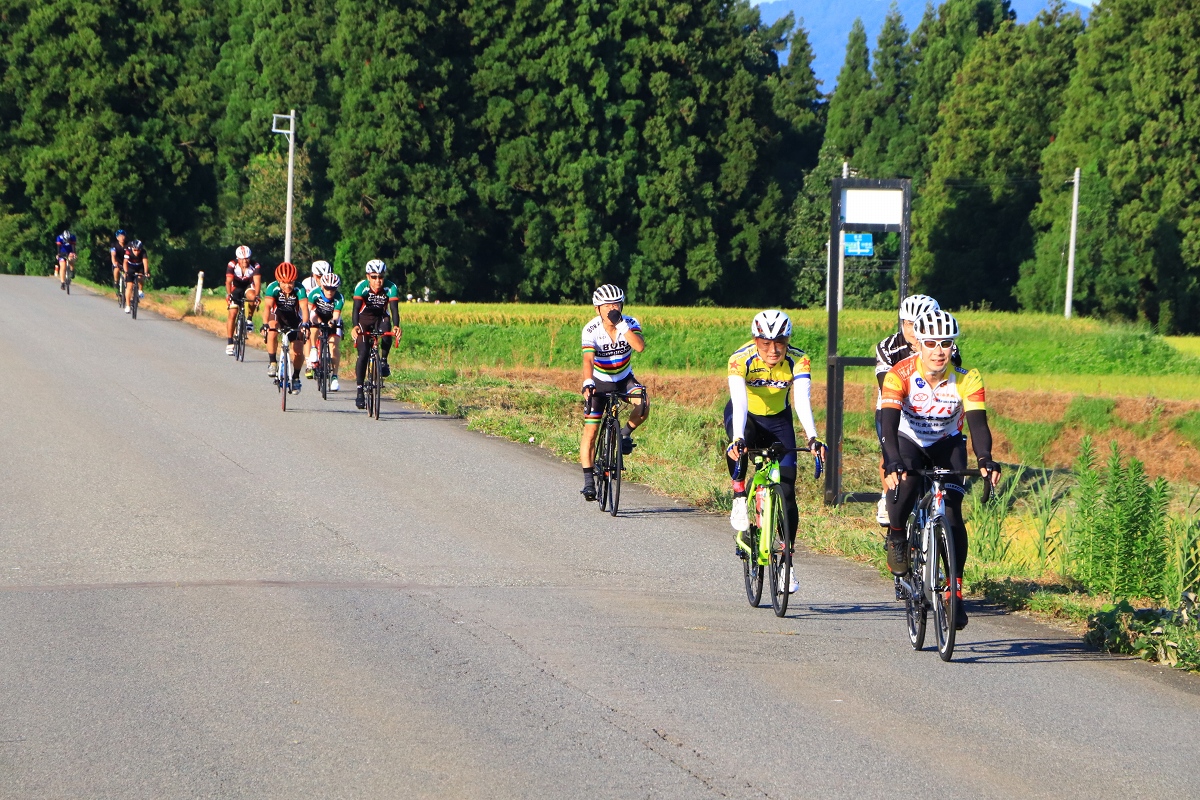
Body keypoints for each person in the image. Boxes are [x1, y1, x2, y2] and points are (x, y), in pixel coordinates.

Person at [880, 309, 1000, 631]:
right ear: (919, 344)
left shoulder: (966, 378)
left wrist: (986, 459)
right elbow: (888, 424)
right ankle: (896, 535)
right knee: (904, 486)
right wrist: (892, 460)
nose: (938, 351)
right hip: (909, 440)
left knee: (952, 512)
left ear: (952, 346)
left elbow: (978, 424)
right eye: (931, 343)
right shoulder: (899, 374)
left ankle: (954, 592)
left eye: (945, 344)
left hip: (948, 444)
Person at [725, 310, 826, 592]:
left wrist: (813, 436)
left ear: (787, 340)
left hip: (779, 420)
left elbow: (802, 401)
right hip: (746, 416)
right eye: (766, 342)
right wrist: (737, 438)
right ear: (755, 340)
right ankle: (738, 495)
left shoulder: (799, 359)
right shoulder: (740, 359)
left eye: (780, 342)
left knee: (788, 488)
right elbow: (739, 401)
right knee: (740, 445)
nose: (773, 349)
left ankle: (786, 563)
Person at [872, 294, 950, 525]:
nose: (914, 330)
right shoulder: (888, 347)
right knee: (891, 451)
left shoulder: (944, 348)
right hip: (894, 406)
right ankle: (889, 497)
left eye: (920, 324)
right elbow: (887, 386)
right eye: (908, 324)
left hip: (932, 411)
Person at [579, 284, 648, 501]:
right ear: (596, 309)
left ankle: (624, 434)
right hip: (600, 380)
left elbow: (639, 347)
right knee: (590, 432)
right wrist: (588, 382)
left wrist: (622, 326)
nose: (612, 308)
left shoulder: (630, 323)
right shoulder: (590, 330)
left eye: (616, 304)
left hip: (624, 379)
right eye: (606, 305)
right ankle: (589, 481)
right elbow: (588, 359)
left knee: (643, 404)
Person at [351, 259, 402, 409]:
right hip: (364, 319)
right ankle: (360, 391)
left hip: (381, 317)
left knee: (387, 330)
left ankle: (384, 360)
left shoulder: (391, 287)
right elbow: (355, 310)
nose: (378, 281)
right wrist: (355, 326)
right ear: (368, 277)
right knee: (363, 353)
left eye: (381, 277)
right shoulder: (361, 287)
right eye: (374, 277)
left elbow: (394, 310)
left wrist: (397, 326)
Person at [261, 262, 308, 392]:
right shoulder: (273, 288)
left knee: (298, 349)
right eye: (284, 282)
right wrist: (265, 324)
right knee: (272, 327)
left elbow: (304, 309)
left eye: (291, 282)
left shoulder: (300, 289)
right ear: (278, 281)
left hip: (295, 320)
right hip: (278, 318)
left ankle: (296, 377)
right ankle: (272, 363)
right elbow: (268, 308)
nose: (287, 286)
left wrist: (305, 324)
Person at [306, 271, 344, 392]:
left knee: (334, 346)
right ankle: (313, 348)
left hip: (332, 319)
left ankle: (334, 377)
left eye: (333, 289)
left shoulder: (339, 297)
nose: (330, 291)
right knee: (313, 322)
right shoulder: (314, 294)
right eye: (327, 288)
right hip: (317, 316)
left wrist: (333, 321)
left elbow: (337, 315)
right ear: (322, 286)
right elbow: (308, 310)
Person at [225, 245, 262, 355]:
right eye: (242, 259)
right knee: (232, 313)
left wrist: (257, 296)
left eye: (247, 258)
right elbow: (228, 281)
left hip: (248, 286)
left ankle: (249, 319)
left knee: (252, 297)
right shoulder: (232, 264)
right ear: (238, 258)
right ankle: (230, 342)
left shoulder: (255, 265)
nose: (245, 261)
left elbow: (257, 282)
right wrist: (229, 295)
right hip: (235, 287)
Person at [301, 261, 332, 377]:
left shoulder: (331, 281)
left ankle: (326, 356)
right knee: (308, 334)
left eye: (325, 276)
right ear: (314, 275)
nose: (322, 279)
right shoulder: (307, 283)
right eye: (319, 277)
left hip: (327, 311)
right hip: (311, 310)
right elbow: (304, 304)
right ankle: (309, 363)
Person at [121, 240, 149, 312]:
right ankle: (127, 306)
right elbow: (125, 262)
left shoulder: (143, 252)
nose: (136, 252)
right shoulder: (128, 251)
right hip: (130, 267)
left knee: (141, 277)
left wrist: (146, 272)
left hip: (139, 267)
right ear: (132, 248)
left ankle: (140, 290)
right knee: (129, 287)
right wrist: (126, 271)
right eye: (135, 250)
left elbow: (145, 262)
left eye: (138, 250)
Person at [110, 230, 127, 295]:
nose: (122, 238)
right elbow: (113, 255)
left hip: (126, 263)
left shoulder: (128, 244)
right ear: (117, 238)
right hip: (118, 262)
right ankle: (116, 282)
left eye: (123, 236)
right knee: (116, 269)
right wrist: (114, 262)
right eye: (120, 236)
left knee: (126, 274)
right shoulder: (114, 245)